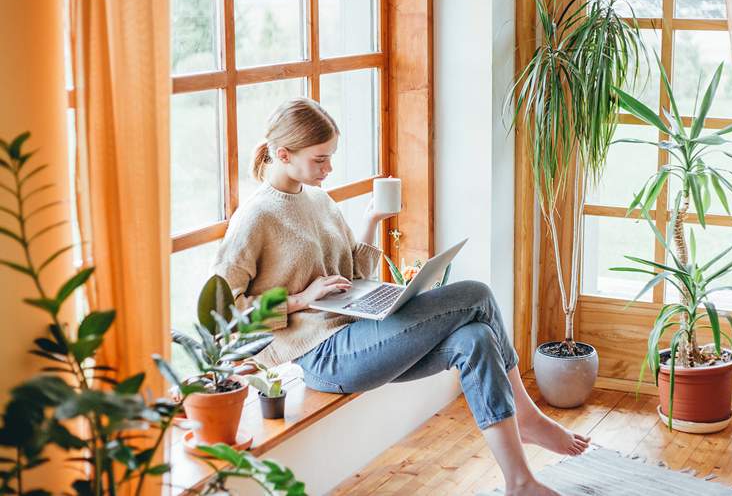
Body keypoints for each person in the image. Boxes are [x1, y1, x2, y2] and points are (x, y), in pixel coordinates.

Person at [212, 97, 589, 495]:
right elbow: (223, 313)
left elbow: (351, 277)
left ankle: (519, 481)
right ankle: (527, 417)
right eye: (320, 159)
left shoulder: (319, 200)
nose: (329, 169)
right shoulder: (255, 217)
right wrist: (302, 300)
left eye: (331, 157)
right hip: (324, 355)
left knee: (474, 339)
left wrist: (371, 220)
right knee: (476, 294)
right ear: (284, 154)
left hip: (359, 331)